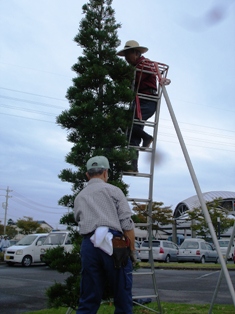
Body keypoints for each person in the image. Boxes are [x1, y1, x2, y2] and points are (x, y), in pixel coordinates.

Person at [74, 155, 136, 314]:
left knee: (89, 296)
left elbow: (77, 219)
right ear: (105, 173)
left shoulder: (80, 196)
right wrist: (132, 251)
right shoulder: (114, 191)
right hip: (115, 243)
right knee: (122, 295)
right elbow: (127, 224)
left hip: (89, 243)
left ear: (88, 175)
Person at [117, 40, 158, 172]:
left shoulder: (145, 65)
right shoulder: (136, 67)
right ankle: (133, 166)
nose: (126, 60)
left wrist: (122, 76)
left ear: (135, 53)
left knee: (127, 122)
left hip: (148, 100)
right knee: (132, 133)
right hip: (139, 101)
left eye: (127, 56)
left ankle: (146, 137)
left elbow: (135, 78)